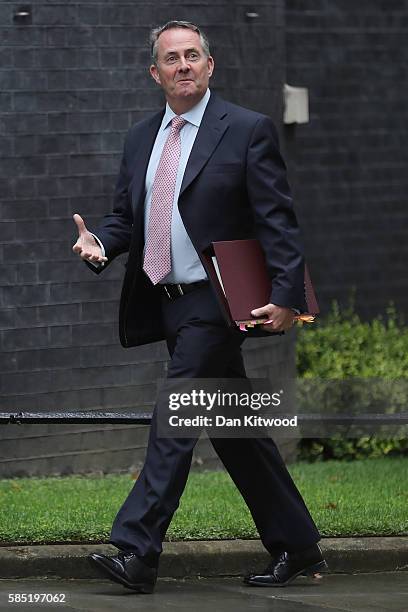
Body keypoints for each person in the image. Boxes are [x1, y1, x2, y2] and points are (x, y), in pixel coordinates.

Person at [72, 20, 327, 594]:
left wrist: (287, 296)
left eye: (193, 56)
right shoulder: (141, 138)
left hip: (217, 304)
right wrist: (101, 245)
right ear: (155, 73)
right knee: (235, 426)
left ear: (209, 66)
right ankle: (298, 545)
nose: (183, 65)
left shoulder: (246, 130)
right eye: (171, 58)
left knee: (177, 412)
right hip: (166, 302)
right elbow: (123, 218)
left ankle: (138, 549)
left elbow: (277, 220)